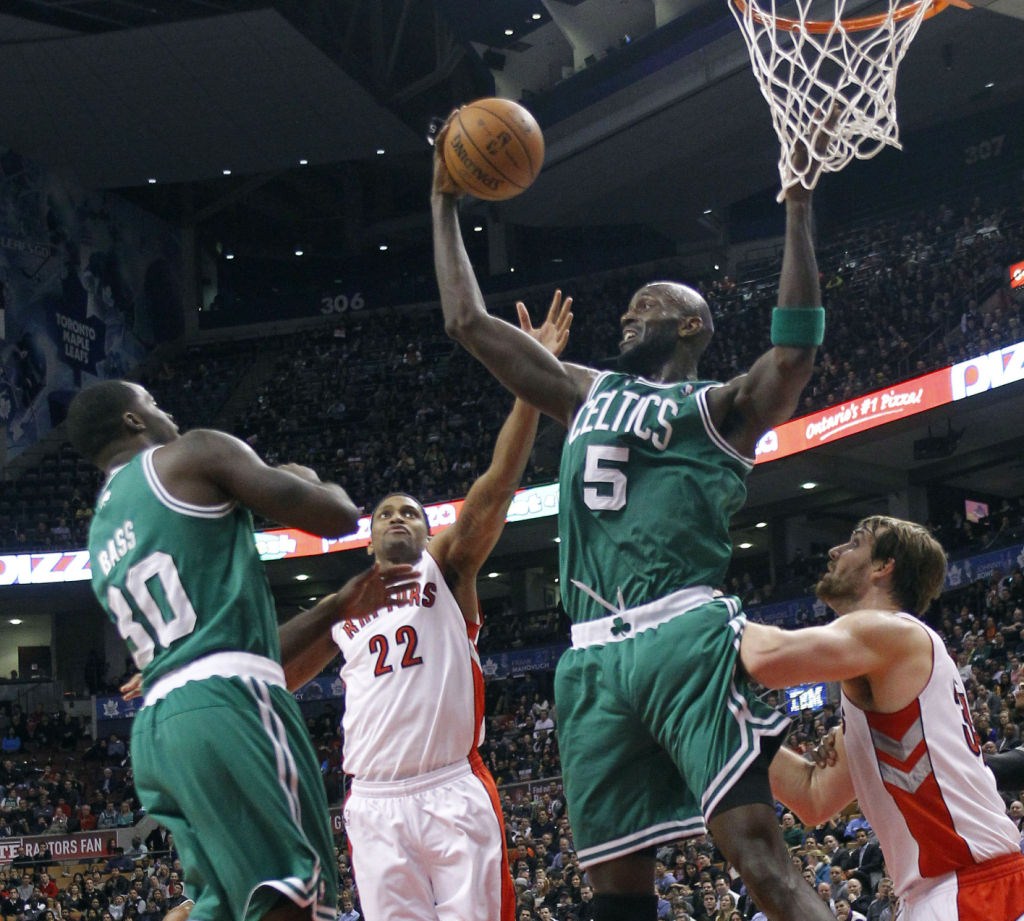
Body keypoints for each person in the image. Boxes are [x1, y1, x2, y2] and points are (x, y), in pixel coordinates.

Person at [431, 114, 835, 921]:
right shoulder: (585, 390)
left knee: (758, 855)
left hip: (682, 635)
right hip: (589, 662)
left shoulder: (717, 408)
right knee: (614, 899)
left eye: (647, 307)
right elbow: (467, 324)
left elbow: (792, 355)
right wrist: (442, 199)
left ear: (691, 325)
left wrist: (795, 207)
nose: (628, 315)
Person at [277, 298, 572, 921]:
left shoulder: (449, 568)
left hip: (448, 786)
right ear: (368, 535)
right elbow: (278, 678)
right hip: (373, 798)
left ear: (426, 527)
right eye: (386, 512)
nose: (398, 518)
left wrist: (531, 378)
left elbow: (494, 490)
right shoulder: (345, 607)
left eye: (410, 511)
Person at [65, 380, 362, 921]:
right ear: (134, 421)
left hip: (157, 729)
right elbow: (338, 517)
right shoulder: (193, 452)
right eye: (153, 402)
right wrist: (305, 478)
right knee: (297, 898)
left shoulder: (100, 532)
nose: (166, 409)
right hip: (230, 700)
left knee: (219, 905)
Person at [741, 515, 1024, 920]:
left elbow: (763, 658)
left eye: (855, 542)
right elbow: (814, 796)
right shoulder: (884, 686)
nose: (835, 552)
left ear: (883, 566)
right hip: (946, 891)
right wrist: (731, 719)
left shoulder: (893, 633)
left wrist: (683, 614)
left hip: (972, 888)